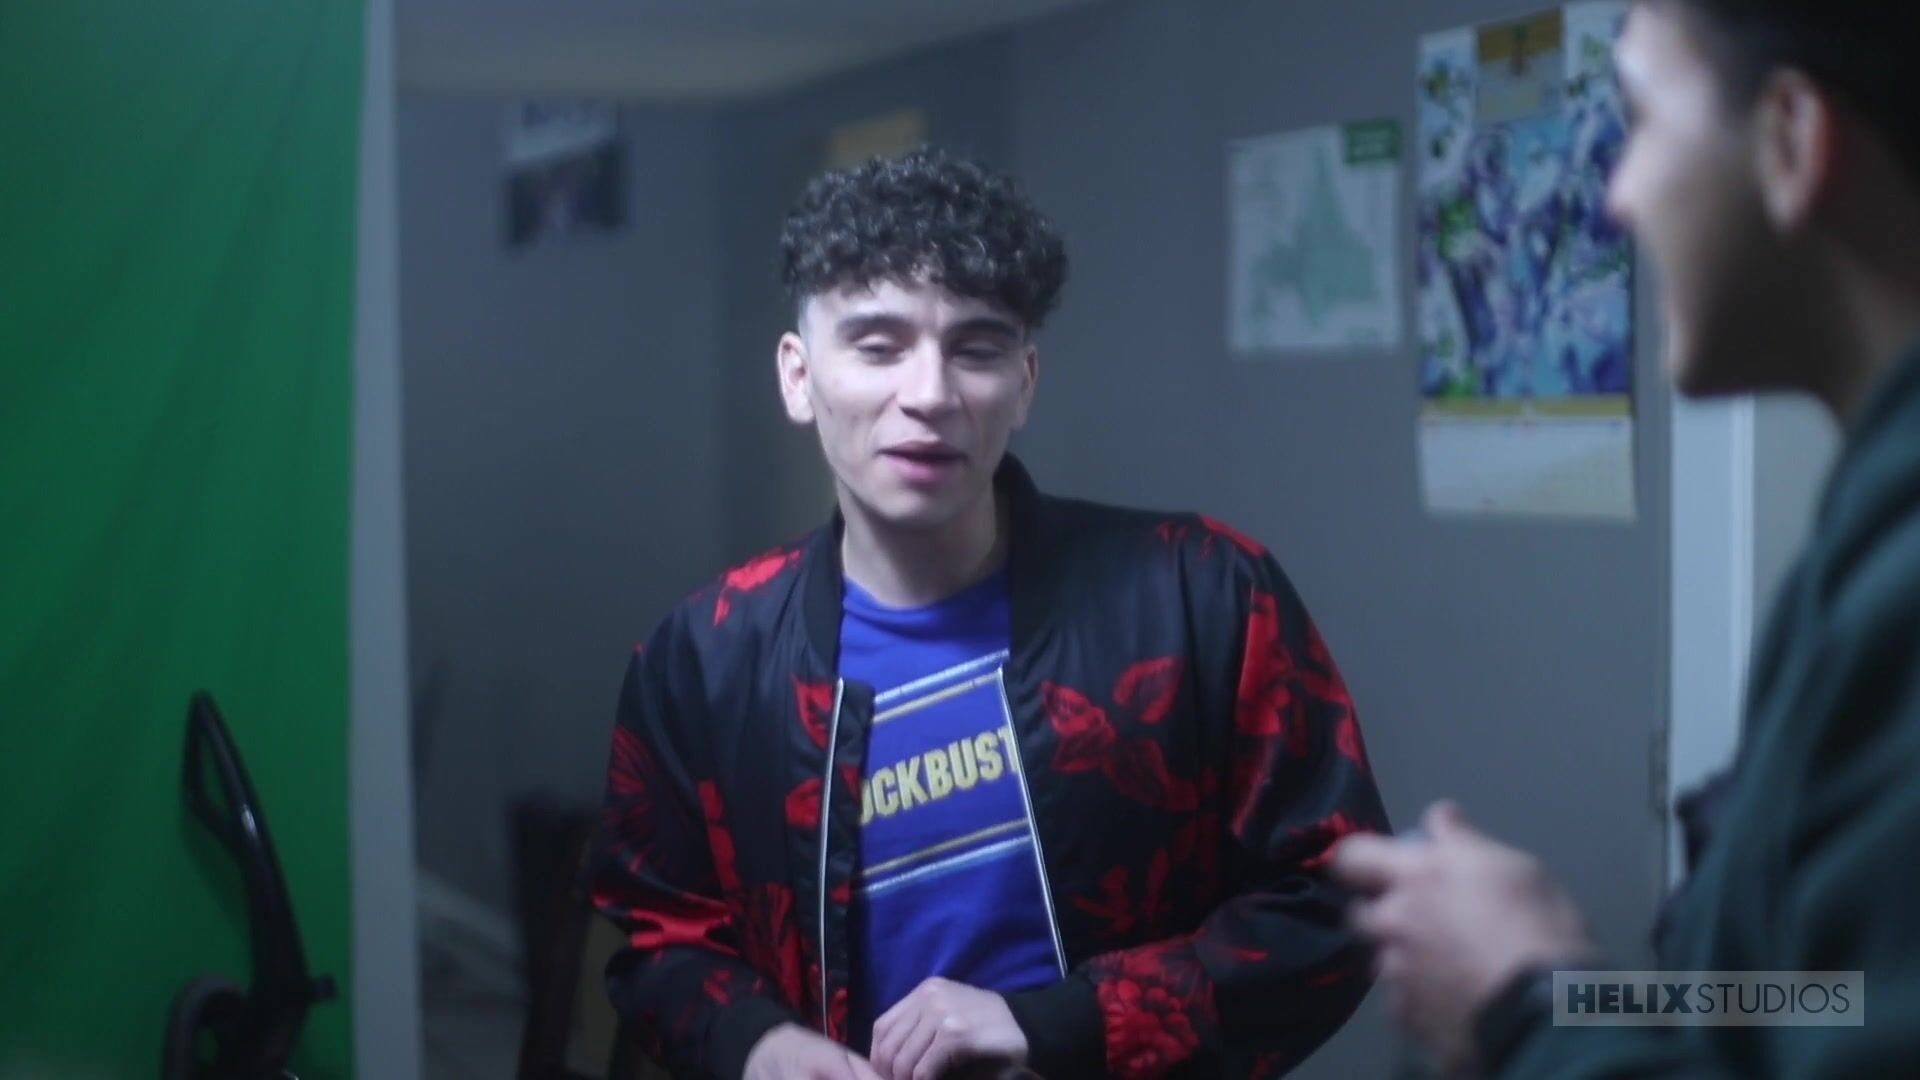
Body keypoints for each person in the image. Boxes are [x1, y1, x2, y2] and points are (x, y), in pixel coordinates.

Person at [590, 147, 1389, 1080]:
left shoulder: (1201, 596)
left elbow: (1338, 901)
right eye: (878, 346)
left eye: (976, 348)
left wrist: (1059, 1026)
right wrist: (758, 1044)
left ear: (1025, 380)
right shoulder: (705, 660)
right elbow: (659, 939)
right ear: (798, 379)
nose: (930, 395)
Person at [1333, 1, 1920, 1074]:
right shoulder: (1863, 539)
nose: (1616, 197)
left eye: (1641, 121)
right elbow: (1810, 1004)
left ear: (1791, 141)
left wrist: (1521, 1004)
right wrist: (1552, 980)